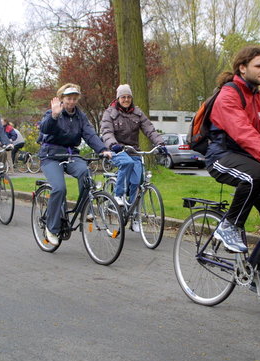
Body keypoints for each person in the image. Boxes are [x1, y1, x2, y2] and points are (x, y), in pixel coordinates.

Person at [205, 46, 260, 302]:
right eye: (259, 65)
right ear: (242, 68)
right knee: (253, 176)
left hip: (250, 162)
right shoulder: (228, 94)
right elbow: (242, 130)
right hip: (221, 156)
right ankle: (229, 226)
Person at [39, 83, 112, 246]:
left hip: (70, 154)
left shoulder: (80, 116)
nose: (71, 102)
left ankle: (85, 209)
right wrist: (54, 116)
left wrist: (102, 149)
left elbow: (90, 134)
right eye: (68, 99)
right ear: (62, 99)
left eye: (74, 99)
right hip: (50, 156)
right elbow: (45, 128)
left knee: (85, 173)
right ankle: (51, 227)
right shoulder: (53, 113)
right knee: (59, 188)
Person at [100, 84, 165, 216]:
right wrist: (113, 145)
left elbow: (149, 129)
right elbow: (106, 132)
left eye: (128, 97)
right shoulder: (110, 113)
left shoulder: (138, 113)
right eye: (123, 97)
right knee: (127, 163)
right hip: (116, 150)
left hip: (133, 151)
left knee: (137, 182)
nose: (126, 99)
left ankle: (134, 216)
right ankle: (118, 195)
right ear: (118, 98)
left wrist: (160, 143)